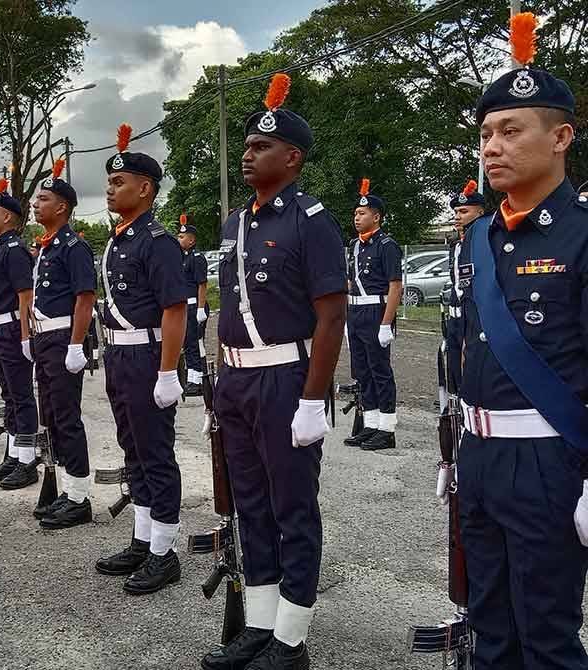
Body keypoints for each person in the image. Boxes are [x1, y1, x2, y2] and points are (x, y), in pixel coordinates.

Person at [448, 14, 588, 669]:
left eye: (510, 131)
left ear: (560, 138)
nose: (492, 147)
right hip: (478, 456)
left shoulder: (581, 235)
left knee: (547, 639)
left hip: (548, 461)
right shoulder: (480, 237)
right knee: (490, 631)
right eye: (485, 135)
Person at [200, 75, 346, 670]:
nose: (248, 154)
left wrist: (313, 400)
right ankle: (259, 626)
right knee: (250, 505)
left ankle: (291, 639)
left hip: (286, 379)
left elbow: (331, 315)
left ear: (292, 157)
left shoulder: (311, 220)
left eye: (261, 147)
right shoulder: (234, 223)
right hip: (235, 382)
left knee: (293, 509)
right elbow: (230, 311)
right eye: (247, 146)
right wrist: (219, 385)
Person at [93, 124, 188, 595]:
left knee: (155, 453)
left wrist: (168, 371)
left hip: (148, 355)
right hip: (119, 354)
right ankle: (143, 539)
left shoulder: (157, 240)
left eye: (119, 182)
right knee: (133, 450)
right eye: (109, 183)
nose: (110, 190)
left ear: (145, 188)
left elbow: (175, 309)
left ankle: (164, 553)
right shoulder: (120, 239)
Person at [29, 159, 98, 526]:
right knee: (52, 416)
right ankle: (67, 489)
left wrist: (75, 345)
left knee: (67, 417)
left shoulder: (73, 246)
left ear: (62, 207)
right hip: (45, 337)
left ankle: (80, 497)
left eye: (43, 199)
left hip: (62, 338)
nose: (35, 204)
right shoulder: (48, 245)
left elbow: (84, 298)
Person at [0, 179, 39, 490]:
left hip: (14, 328)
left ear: (7, 217)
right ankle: (14, 453)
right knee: (9, 395)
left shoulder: (14, 250)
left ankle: (28, 460)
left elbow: (25, 296)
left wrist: (26, 336)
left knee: (21, 396)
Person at [342, 178, 403, 451]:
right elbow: (349, 282)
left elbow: (395, 286)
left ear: (376, 217)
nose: (357, 217)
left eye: (362, 213)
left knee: (380, 371)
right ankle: (370, 423)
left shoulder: (386, 245)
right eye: (355, 213)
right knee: (362, 371)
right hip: (355, 311)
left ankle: (387, 429)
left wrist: (386, 323)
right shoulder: (355, 246)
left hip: (376, 311)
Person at [443, 180, 485, 396]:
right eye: (456, 212)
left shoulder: (484, 241)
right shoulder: (456, 245)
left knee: (471, 366)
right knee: (453, 366)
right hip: (455, 316)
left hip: (474, 315)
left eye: (464, 211)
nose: (458, 216)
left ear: (480, 212)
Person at [178, 214, 209, 397]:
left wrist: (200, 308)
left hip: (195, 306)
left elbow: (202, 284)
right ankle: (192, 379)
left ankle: (197, 381)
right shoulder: (183, 257)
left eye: (182, 237)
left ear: (191, 240)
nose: (179, 239)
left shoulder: (197, 258)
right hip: (185, 307)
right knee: (188, 344)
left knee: (195, 344)